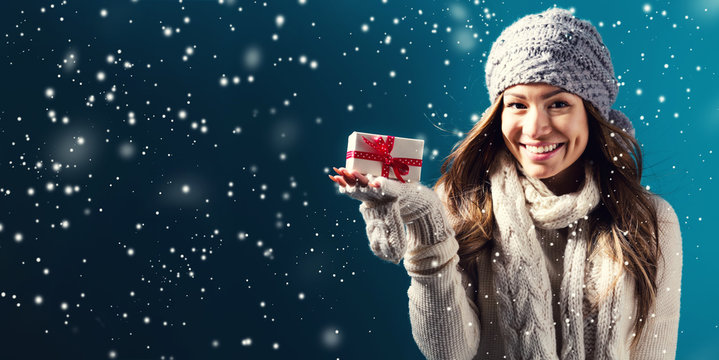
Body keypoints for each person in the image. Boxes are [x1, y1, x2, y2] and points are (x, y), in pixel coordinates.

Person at [328, 8, 682, 360]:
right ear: (499, 113)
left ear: (592, 113)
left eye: (558, 103)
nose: (534, 128)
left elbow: (656, 351)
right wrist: (426, 221)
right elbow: (448, 351)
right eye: (517, 104)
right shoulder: (463, 204)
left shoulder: (649, 219)